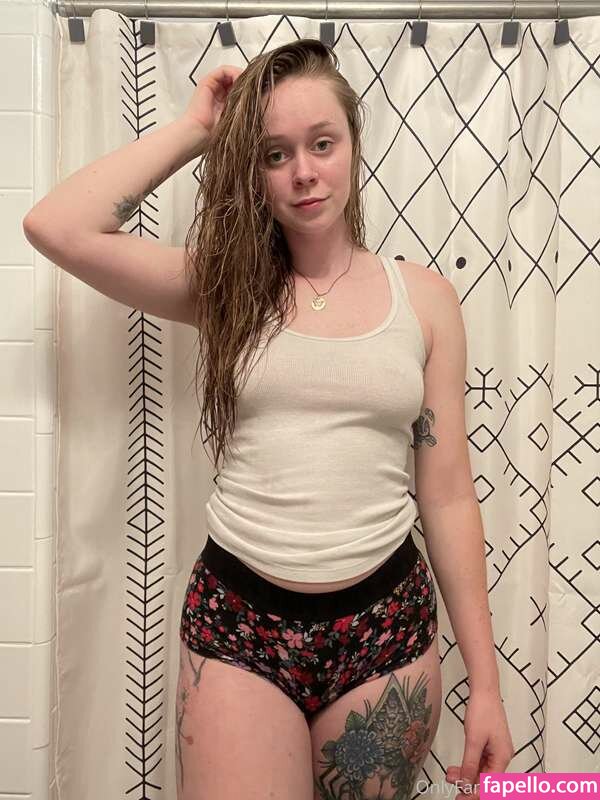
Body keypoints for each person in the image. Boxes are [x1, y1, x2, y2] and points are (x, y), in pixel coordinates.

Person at [23, 37, 513, 800]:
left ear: (354, 144)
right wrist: (196, 129)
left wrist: (487, 685)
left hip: (383, 632)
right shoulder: (222, 287)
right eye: (274, 154)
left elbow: (447, 495)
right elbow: (57, 227)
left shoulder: (424, 301)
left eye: (322, 143)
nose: (303, 172)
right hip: (238, 627)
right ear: (253, 171)